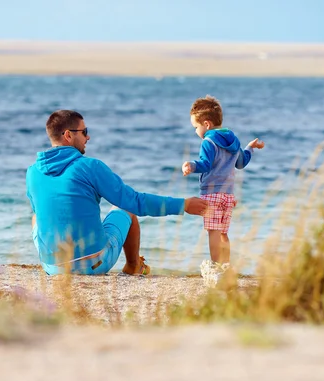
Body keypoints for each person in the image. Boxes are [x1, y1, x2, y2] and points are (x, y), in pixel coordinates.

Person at [26, 110, 208, 275]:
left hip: (51, 267)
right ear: (68, 135)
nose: (88, 137)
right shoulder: (89, 166)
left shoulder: (32, 172)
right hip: (93, 263)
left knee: (36, 216)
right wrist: (182, 204)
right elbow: (134, 201)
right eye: (84, 132)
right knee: (126, 209)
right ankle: (133, 265)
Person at [181, 95, 265, 280]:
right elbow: (241, 163)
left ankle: (216, 270)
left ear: (207, 124)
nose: (196, 131)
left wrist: (191, 165)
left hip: (211, 193)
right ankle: (226, 267)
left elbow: (205, 164)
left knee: (213, 232)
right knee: (224, 233)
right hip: (228, 196)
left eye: (196, 127)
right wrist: (250, 148)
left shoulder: (208, 142)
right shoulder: (233, 140)